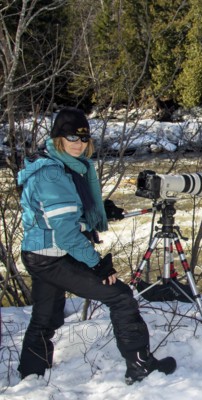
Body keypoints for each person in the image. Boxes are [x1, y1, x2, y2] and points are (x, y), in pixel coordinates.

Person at [17, 108, 176, 384]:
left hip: (41, 252)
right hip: (53, 255)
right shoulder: (52, 175)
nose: (78, 144)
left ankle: (31, 375)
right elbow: (66, 233)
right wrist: (99, 265)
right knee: (120, 296)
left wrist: (100, 210)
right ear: (58, 138)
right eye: (71, 137)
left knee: (46, 317)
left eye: (83, 138)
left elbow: (63, 211)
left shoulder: (62, 165)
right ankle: (140, 365)